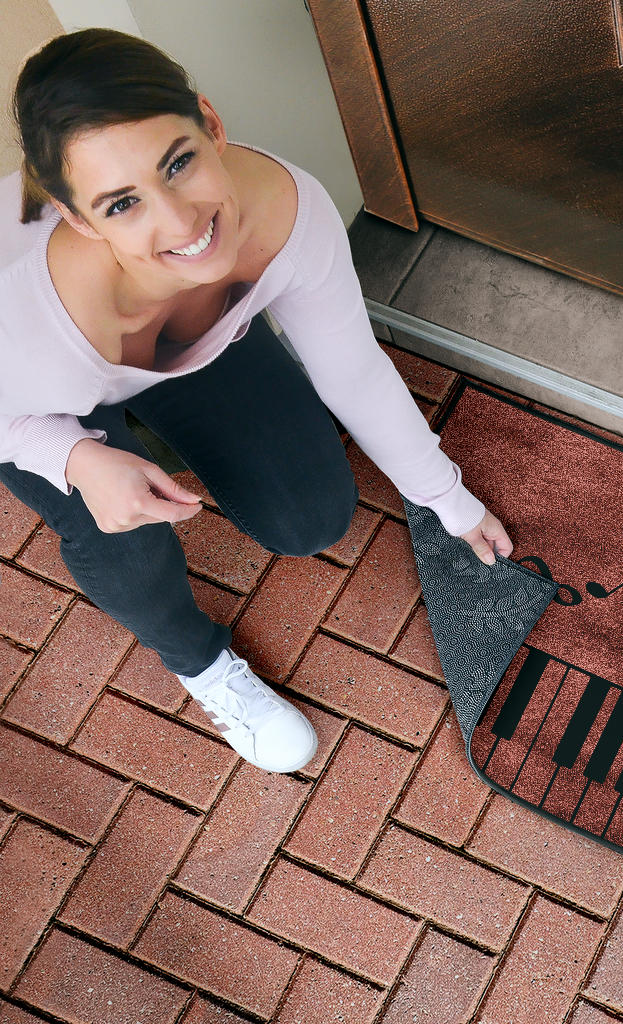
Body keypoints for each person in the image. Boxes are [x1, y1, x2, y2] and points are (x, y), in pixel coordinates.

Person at [1, 28, 513, 774]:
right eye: (121, 204)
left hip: (193, 349)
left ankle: (170, 407)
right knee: (126, 539)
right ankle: (200, 665)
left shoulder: (289, 212)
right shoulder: (34, 314)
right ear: (78, 220)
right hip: (38, 403)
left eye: (178, 162)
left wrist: (447, 497)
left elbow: (353, 370)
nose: (180, 224)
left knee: (310, 519)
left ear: (211, 122)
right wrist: (78, 458)